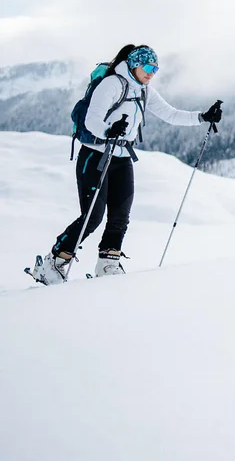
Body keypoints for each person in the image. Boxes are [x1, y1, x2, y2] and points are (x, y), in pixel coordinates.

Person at [28, 44, 223, 284]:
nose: (152, 73)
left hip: (121, 157)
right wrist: (109, 130)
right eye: (148, 68)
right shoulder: (111, 84)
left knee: (120, 215)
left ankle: (108, 264)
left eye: (156, 69)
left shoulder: (144, 91)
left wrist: (203, 117)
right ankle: (53, 263)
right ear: (134, 64)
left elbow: (170, 114)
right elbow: (92, 121)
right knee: (93, 216)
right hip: (95, 155)